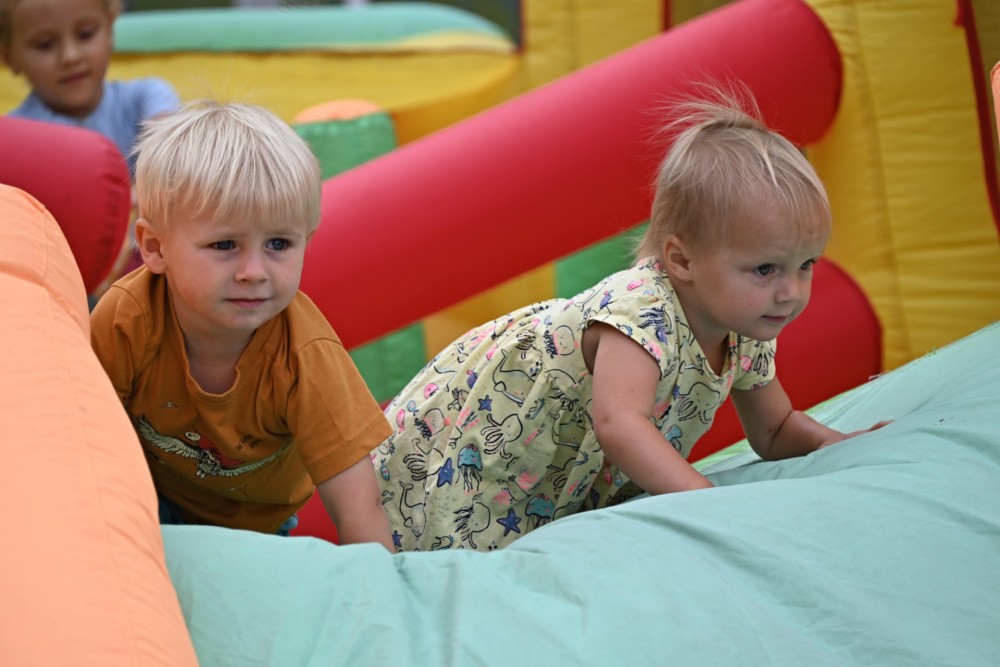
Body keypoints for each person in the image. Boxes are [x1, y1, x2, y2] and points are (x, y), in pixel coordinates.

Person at [372, 87, 888, 552]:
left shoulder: (744, 323)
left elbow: (774, 430)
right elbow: (620, 424)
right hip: (493, 448)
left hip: (553, 475)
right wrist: (706, 500)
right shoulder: (641, 315)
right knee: (468, 550)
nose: (791, 292)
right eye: (765, 269)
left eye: (806, 265)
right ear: (682, 260)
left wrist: (832, 444)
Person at [90, 99, 394, 548]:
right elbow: (83, 433)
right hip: (148, 500)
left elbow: (358, 506)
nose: (254, 271)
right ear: (154, 247)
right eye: (225, 244)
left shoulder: (305, 356)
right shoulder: (128, 319)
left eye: (278, 244)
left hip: (258, 529)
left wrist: (378, 586)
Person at [1, 0, 181, 297]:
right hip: (67, 286)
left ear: (110, 28)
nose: (70, 56)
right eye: (45, 45)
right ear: (9, 56)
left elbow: (170, 142)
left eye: (85, 34)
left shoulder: (145, 96)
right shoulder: (16, 141)